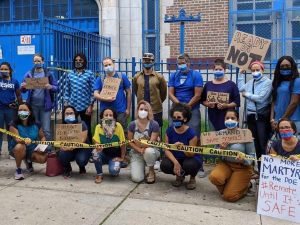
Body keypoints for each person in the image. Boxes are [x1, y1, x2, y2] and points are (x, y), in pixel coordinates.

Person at [168, 53, 204, 177]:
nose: (180, 65)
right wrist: (178, 107)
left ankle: (199, 165)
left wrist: (186, 108)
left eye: (183, 63)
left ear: (189, 63)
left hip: (192, 110)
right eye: (179, 63)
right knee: (174, 133)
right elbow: (171, 93)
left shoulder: (196, 75)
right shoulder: (174, 75)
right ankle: (177, 161)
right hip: (176, 109)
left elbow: (198, 95)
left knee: (196, 137)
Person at [209, 109, 256, 202]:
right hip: (227, 164)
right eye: (227, 118)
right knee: (214, 177)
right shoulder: (220, 133)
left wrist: (244, 160)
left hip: (243, 167)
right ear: (224, 120)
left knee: (229, 197)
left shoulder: (245, 134)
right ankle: (234, 184)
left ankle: (247, 185)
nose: (230, 120)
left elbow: (251, 155)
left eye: (232, 118)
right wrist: (221, 149)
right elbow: (215, 152)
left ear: (237, 120)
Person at [238, 61, 272, 177]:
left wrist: (247, 95)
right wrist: (240, 74)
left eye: (258, 70)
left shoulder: (267, 82)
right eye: (253, 70)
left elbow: (261, 98)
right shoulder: (250, 82)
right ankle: (258, 170)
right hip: (251, 117)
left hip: (262, 117)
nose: (255, 72)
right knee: (255, 144)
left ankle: (265, 171)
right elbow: (240, 88)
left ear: (263, 70)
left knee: (263, 144)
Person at [160, 103, 202, 190]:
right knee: (164, 165)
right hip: (176, 157)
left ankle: (192, 178)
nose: (176, 120)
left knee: (190, 165)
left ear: (185, 119)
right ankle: (179, 176)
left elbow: (191, 154)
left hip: (189, 158)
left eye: (179, 118)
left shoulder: (192, 133)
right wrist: (176, 163)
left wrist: (183, 148)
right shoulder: (169, 131)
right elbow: (167, 150)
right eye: (174, 117)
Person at [20, 53, 58, 146]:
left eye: (39, 61)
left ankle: (47, 149)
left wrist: (51, 87)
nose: (37, 63)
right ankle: (36, 149)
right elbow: (23, 90)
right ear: (33, 62)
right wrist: (23, 86)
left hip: (45, 107)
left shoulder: (48, 74)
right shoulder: (29, 74)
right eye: (35, 61)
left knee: (46, 130)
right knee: (35, 128)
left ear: (43, 62)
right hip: (32, 106)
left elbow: (57, 87)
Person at [9, 103, 47, 180]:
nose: (22, 112)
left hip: (31, 148)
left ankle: (28, 160)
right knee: (20, 146)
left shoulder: (36, 123)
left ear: (29, 112)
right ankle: (18, 169)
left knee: (43, 158)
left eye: (24, 110)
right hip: (17, 148)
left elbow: (42, 136)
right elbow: (17, 139)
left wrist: (42, 147)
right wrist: (25, 140)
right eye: (20, 110)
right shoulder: (13, 124)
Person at [94, 57, 131, 133]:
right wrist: (105, 99)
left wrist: (128, 109)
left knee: (122, 132)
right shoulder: (100, 79)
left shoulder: (122, 77)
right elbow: (95, 94)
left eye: (109, 64)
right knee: (106, 132)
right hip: (105, 113)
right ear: (103, 67)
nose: (108, 67)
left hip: (120, 111)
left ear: (114, 65)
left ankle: (122, 145)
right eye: (106, 65)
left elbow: (129, 93)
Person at [64, 53, 95, 143]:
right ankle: (72, 146)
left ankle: (88, 148)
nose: (78, 62)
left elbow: (93, 91)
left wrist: (90, 106)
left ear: (84, 61)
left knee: (87, 128)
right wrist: (66, 104)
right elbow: (67, 89)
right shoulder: (70, 74)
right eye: (76, 61)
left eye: (80, 61)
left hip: (85, 106)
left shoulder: (89, 74)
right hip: (72, 105)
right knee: (71, 127)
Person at [201, 59, 240, 131]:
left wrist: (226, 105)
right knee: (215, 139)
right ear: (213, 70)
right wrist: (208, 104)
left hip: (228, 118)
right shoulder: (208, 85)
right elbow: (202, 100)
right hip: (213, 116)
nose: (218, 71)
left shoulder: (231, 84)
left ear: (224, 70)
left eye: (220, 69)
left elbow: (237, 102)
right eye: (216, 69)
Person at [128, 100, 160, 183]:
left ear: (149, 112)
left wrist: (142, 145)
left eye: (146, 110)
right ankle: (140, 168)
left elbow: (151, 142)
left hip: (150, 149)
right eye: (141, 109)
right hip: (136, 151)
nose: (143, 111)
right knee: (137, 179)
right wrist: (139, 149)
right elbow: (130, 142)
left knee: (149, 152)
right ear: (137, 110)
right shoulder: (132, 125)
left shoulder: (154, 124)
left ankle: (151, 171)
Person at [133, 53, 167, 127]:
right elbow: (136, 90)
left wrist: (158, 101)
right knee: (142, 129)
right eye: (145, 60)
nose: (147, 62)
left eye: (149, 60)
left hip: (155, 110)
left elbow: (163, 92)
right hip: (142, 109)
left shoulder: (159, 77)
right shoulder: (137, 76)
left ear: (153, 62)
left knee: (156, 131)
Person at [93, 107, 126, 184]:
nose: (108, 117)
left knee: (114, 171)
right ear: (102, 117)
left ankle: (114, 167)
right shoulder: (98, 127)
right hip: (103, 154)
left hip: (115, 156)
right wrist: (98, 147)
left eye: (111, 115)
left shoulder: (118, 126)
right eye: (106, 115)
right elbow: (96, 141)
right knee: (95, 153)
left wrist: (122, 157)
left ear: (114, 117)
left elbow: (123, 143)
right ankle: (99, 174)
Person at [58, 105, 92, 179]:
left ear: (75, 114)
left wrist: (71, 147)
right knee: (62, 153)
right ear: (63, 115)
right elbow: (61, 141)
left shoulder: (82, 124)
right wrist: (63, 146)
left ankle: (82, 166)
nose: (69, 115)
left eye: (71, 113)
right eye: (67, 113)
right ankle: (67, 168)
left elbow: (82, 140)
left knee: (81, 160)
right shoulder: (61, 127)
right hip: (69, 148)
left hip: (82, 148)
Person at [270, 56, 300, 133]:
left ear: (292, 66)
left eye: (287, 66)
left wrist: (282, 121)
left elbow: (294, 103)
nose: (285, 68)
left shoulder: (297, 81)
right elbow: (274, 101)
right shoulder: (277, 82)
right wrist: (272, 120)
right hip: (277, 121)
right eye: (282, 66)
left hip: (292, 120)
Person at [0, 62, 22, 158]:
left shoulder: (15, 81)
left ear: (10, 70)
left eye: (5, 69)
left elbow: (19, 95)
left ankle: (11, 151)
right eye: (2, 69)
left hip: (10, 109)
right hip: (0, 109)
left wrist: (19, 106)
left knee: (11, 130)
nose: (3, 71)